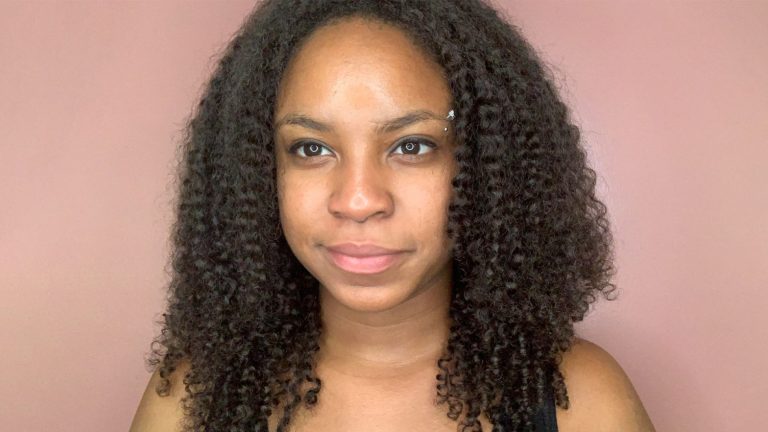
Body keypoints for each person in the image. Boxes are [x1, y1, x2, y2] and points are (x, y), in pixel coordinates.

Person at [130, 1, 655, 431]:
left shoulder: (583, 404)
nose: (359, 200)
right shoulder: (190, 402)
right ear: (257, 173)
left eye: (412, 145)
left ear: (487, 165)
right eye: (311, 149)